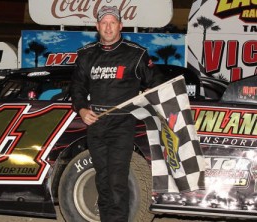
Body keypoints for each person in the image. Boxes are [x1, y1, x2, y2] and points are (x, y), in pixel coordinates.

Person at [70, 6, 161, 222]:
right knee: (102, 180)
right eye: (104, 23)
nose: (108, 27)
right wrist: (82, 109)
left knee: (117, 181)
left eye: (113, 23)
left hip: (122, 126)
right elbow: (77, 88)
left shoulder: (136, 54)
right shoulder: (86, 55)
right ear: (97, 26)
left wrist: (150, 92)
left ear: (120, 26)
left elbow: (156, 82)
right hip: (96, 126)